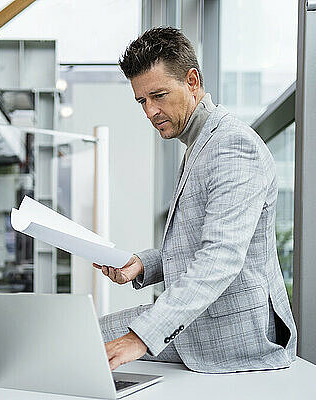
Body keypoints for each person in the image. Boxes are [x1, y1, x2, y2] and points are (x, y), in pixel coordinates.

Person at [93, 27, 297, 373]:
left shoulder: (233, 146)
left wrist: (141, 338)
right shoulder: (202, 142)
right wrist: (144, 264)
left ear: (192, 81)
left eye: (158, 95)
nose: (150, 111)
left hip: (233, 331)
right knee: (89, 339)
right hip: (212, 317)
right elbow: (202, 242)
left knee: (89, 341)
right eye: (142, 101)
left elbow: (221, 257)